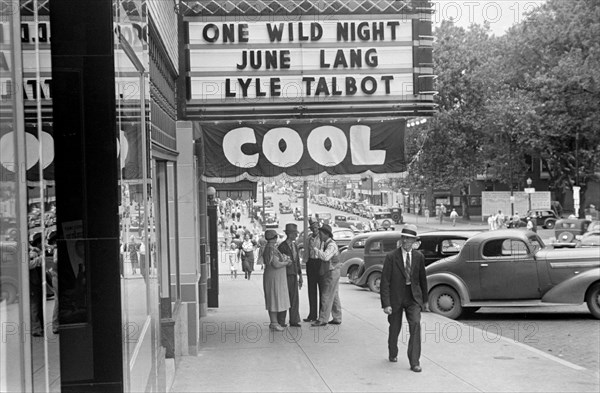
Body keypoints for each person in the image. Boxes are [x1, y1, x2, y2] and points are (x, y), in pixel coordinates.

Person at [380, 224, 429, 372]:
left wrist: (425, 301)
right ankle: (392, 351)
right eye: (404, 238)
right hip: (396, 297)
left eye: (410, 239)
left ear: (414, 241)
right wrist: (386, 304)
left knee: (415, 325)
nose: (406, 242)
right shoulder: (391, 257)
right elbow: (385, 282)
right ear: (401, 239)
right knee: (395, 327)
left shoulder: (419, 257)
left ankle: (414, 362)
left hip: (413, 298)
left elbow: (422, 279)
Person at [311, 224, 342, 327]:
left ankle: (323, 319)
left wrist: (316, 250)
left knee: (326, 295)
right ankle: (337, 317)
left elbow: (326, 257)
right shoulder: (327, 243)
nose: (319, 235)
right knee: (334, 295)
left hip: (331, 272)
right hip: (333, 271)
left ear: (326, 234)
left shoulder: (331, 245)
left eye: (321, 233)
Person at [262, 229, 291, 331]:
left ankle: (274, 322)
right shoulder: (271, 249)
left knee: (273, 298)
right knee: (274, 298)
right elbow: (276, 264)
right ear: (274, 237)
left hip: (273, 277)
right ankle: (274, 322)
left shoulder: (270, 248)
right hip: (273, 278)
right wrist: (286, 262)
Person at [277, 223, 303, 327]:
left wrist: (300, 275)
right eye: (295, 233)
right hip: (285, 275)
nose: (296, 235)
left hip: (293, 274)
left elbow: (297, 262)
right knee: (285, 298)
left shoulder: (295, 246)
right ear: (290, 234)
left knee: (294, 298)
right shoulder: (282, 246)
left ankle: (294, 320)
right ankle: (281, 320)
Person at [303, 220, 322, 322]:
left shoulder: (322, 238)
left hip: (320, 262)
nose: (314, 230)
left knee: (322, 290)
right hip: (311, 262)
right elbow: (306, 251)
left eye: (316, 228)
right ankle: (312, 314)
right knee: (312, 289)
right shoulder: (309, 238)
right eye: (312, 228)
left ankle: (322, 315)